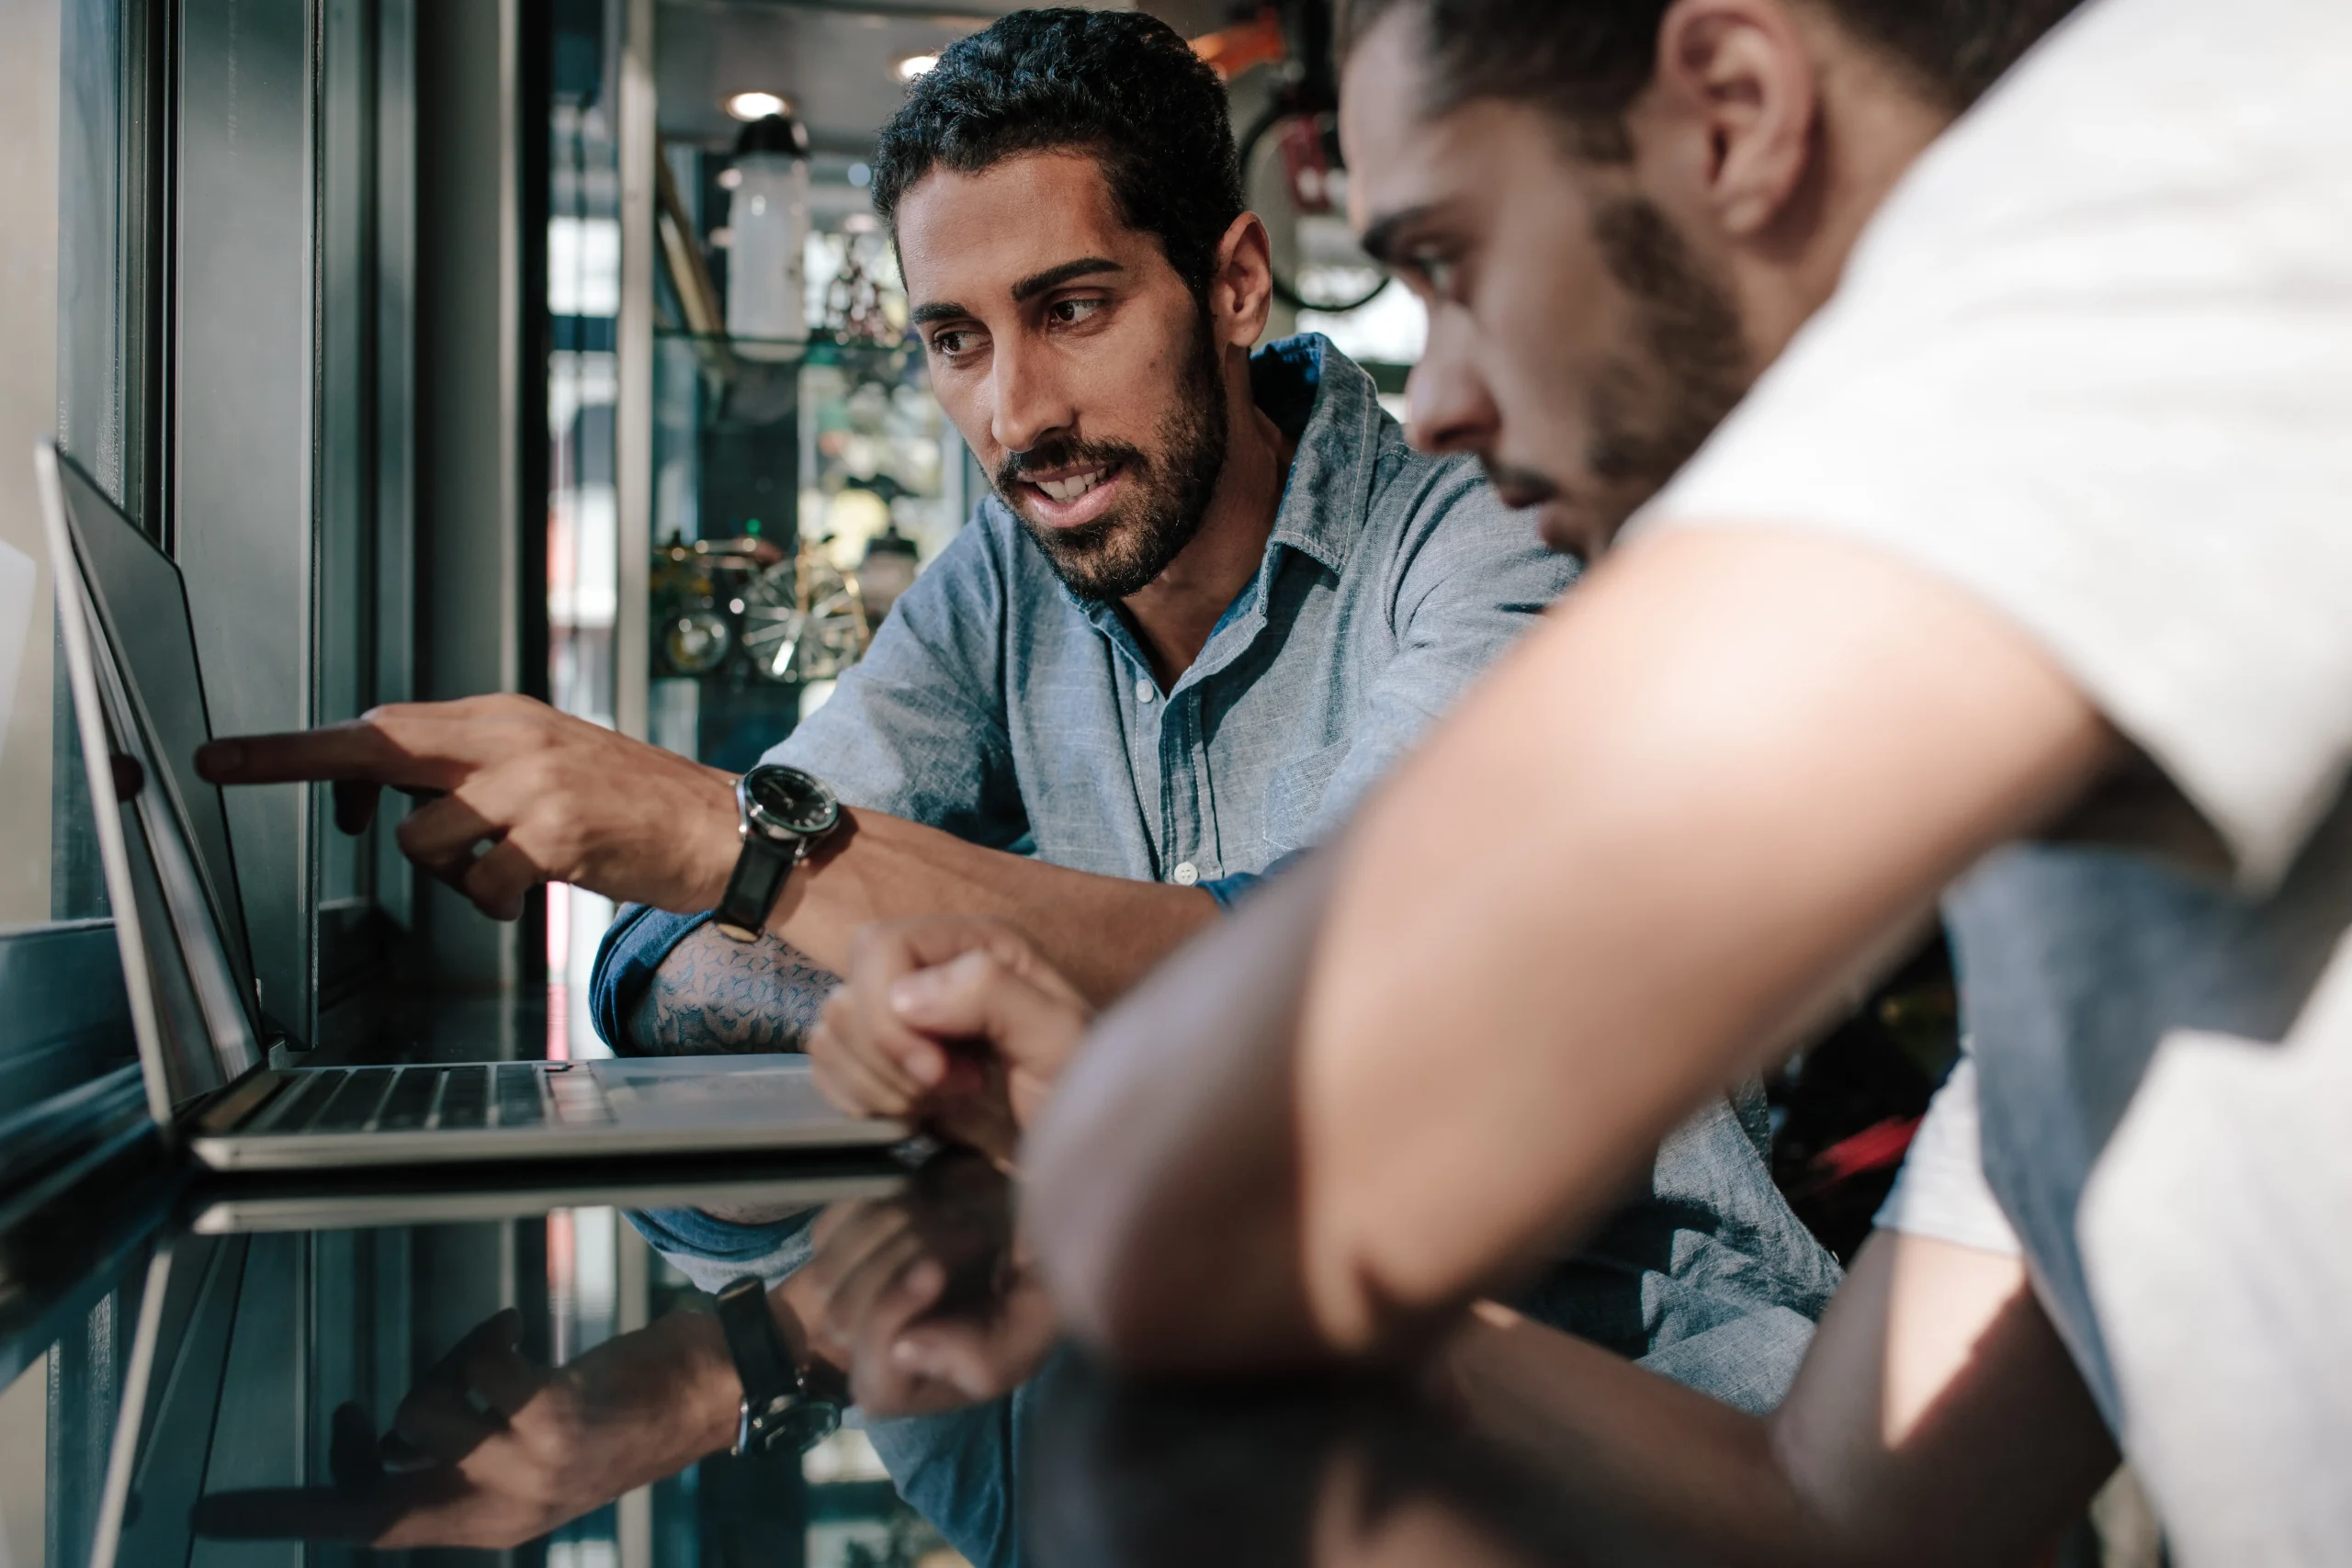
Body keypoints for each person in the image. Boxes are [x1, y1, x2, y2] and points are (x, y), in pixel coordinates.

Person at [195, 11, 1843, 1560]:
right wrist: (743, 1330)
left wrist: (730, 842)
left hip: (1625, 1413)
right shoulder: (1008, 574)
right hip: (1188, 1375)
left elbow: (1330, 975)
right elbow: (649, 966)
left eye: (1073, 309)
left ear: (1237, 282)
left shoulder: (1483, 540)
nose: (1016, 414)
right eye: (954, 341)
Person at [822, 0, 2352, 1559]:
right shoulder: (2091, 773)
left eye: (1453, 264)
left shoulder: (2227, 174)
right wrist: (1146, 1142)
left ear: (1738, 113)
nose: (1436, 402)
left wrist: (1174, 1152)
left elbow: (1195, 1190)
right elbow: (1840, 1513)